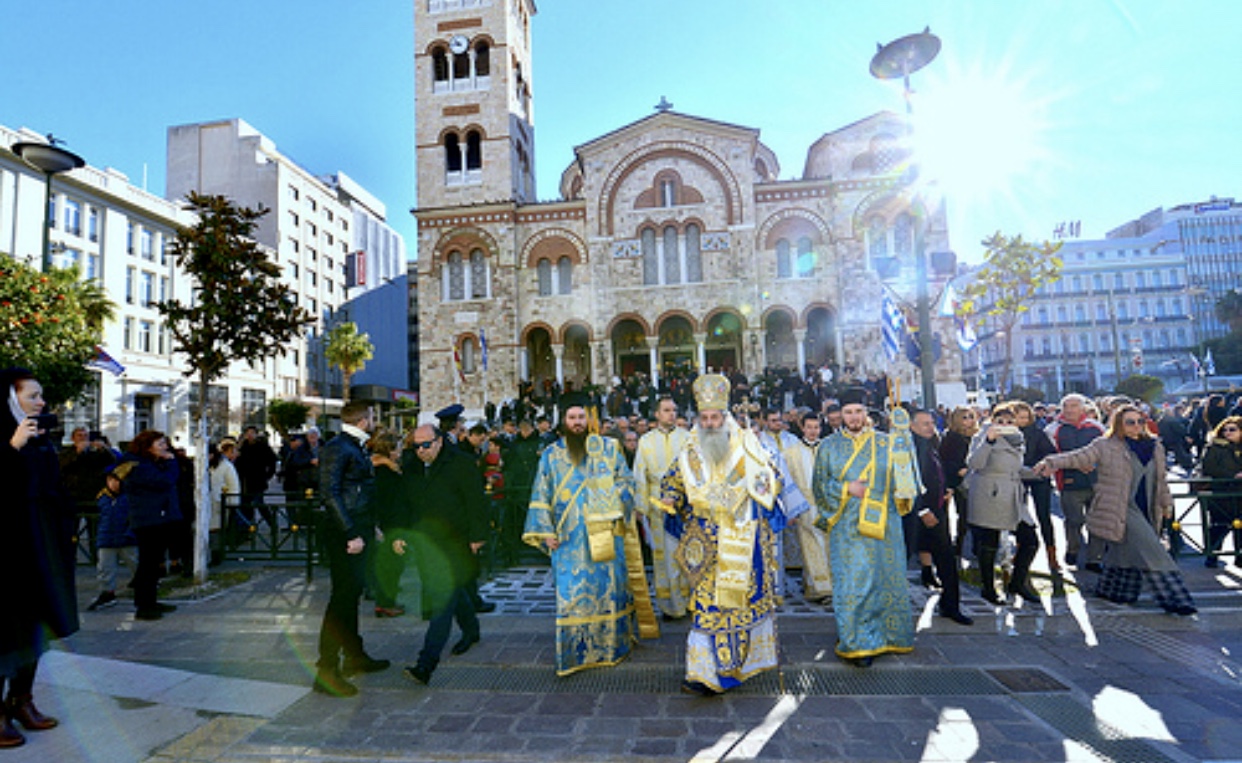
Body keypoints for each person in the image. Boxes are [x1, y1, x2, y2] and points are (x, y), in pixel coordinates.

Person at [658, 375, 809, 694]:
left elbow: (774, 481)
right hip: (705, 545)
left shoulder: (748, 446)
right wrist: (671, 497)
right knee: (707, 608)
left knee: (739, 606)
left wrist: (757, 487)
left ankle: (741, 666)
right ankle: (704, 674)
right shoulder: (690, 451)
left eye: (716, 417)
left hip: (743, 542)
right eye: (705, 418)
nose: (711, 424)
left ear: (725, 418)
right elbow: (672, 480)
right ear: (699, 420)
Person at [1035, 404, 1197, 616]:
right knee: (1154, 551)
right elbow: (1078, 457)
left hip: (1147, 506)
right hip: (1120, 507)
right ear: (1118, 424)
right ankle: (1176, 599)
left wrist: (1166, 504)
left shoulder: (1155, 446)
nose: (1136, 426)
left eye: (1140, 421)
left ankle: (1115, 591)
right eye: (1130, 422)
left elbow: (1161, 480)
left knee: (1124, 552)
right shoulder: (1105, 445)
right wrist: (1051, 462)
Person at [523, 394, 641, 676]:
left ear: (590, 419)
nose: (577, 423)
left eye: (581, 417)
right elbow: (541, 493)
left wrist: (612, 502)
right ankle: (576, 652)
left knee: (609, 591)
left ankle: (612, 647)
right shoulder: (551, 454)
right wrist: (545, 531)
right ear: (563, 421)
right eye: (572, 418)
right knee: (571, 596)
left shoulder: (610, 448)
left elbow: (627, 482)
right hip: (568, 540)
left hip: (606, 535)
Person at [812, 387, 918, 667]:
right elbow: (819, 487)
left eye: (858, 411)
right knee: (854, 585)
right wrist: (847, 488)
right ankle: (858, 642)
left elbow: (905, 485)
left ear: (866, 413)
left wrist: (905, 448)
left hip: (885, 525)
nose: (853, 417)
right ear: (838, 415)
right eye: (847, 412)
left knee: (884, 580)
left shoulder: (887, 442)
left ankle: (887, 636)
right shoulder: (828, 447)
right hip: (847, 527)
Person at [0, 368, 78, 748]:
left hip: (40, 547)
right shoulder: (12, 437)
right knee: (4, 632)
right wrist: (11, 446)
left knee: (35, 628)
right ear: (10, 398)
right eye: (33, 396)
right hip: (6, 553)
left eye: (41, 395)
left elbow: (54, 489)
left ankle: (21, 700)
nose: (41, 402)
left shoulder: (40, 438)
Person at [398, 424, 488, 685]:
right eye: (416, 446)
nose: (421, 451)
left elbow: (476, 500)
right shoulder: (411, 466)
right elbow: (407, 503)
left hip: (456, 541)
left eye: (426, 445)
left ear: (439, 441)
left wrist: (477, 536)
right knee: (454, 591)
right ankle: (471, 630)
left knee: (442, 599)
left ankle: (425, 665)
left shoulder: (461, 463)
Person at [313, 402, 389, 697]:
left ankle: (354, 656)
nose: (374, 419)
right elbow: (329, 493)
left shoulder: (353, 445)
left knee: (351, 596)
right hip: (345, 535)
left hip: (357, 531)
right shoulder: (337, 446)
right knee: (341, 600)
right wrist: (351, 533)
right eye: (372, 415)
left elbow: (358, 492)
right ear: (363, 418)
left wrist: (371, 528)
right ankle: (326, 670)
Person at [966, 403, 1040, 605]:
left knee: (1031, 539)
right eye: (1000, 421)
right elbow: (974, 464)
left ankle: (1017, 583)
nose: (1005, 425)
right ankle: (988, 588)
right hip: (990, 493)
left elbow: (1012, 467)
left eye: (1009, 421)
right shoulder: (982, 437)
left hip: (1012, 493)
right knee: (989, 542)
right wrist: (989, 441)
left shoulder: (1017, 439)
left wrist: (1036, 471)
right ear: (992, 420)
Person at [910, 410, 971, 625]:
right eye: (924, 424)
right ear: (913, 426)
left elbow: (937, 472)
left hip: (938, 511)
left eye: (931, 423)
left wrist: (946, 488)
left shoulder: (932, 443)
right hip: (918, 515)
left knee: (946, 559)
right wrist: (923, 510)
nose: (929, 427)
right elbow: (908, 481)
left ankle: (950, 606)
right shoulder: (910, 447)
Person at [633, 397, 691, 620]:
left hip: (683, 506)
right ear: (657, 414)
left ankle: (688, 602)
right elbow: (639, 476)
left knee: (685, 554)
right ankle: (669, 605)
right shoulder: (646, 441)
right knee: (663, 557)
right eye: (666, 410)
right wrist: (641, 507)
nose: (671, 414)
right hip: (658, 507)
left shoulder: (687, 438)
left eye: (674, 410)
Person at [123, 430, 183, 621]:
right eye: (160, 444)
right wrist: (171, 462)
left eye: (165, 443)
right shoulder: (138, 465)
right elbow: (165, 481)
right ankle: (144, 605)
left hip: (161, 518)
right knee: (148, 564)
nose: (165, 448)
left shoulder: (152, 463)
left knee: (154, 563)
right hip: (148, 520)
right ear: (147, 447)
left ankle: (151, 600)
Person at [1045, 393, 1106, 571]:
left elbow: (1107, 452)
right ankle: (1073, 549)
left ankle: (1095, 558)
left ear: (1083, 408)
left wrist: (1093, 464)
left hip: (1096, 481)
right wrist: (1077, 465)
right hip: (1068, 482)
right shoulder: (1052, 429)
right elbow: (1051, 456)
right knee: (1074, 520)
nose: (1070, 410)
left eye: (1074, 406)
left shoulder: (1096, 427)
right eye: (1066, 406)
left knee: (1097, 521)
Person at [783, 412, 833, 603]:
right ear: (802, 428)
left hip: (828, 506)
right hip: (804, 505)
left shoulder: (828, 449)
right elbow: (788, 483)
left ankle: (832, 585)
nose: (813, 431)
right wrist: (792, 508)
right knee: (811, 546)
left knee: (829, 546)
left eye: (816, 427)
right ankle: (819, 588)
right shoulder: (791, 453)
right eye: (809, 427)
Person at [1014, 401, 1058, 573]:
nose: (1023, 420)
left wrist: (1043, 467)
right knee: (1019, 515)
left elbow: (1050, 453)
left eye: (1026, 417)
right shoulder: (1008, 434)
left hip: (1039, 476)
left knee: (1044, 515)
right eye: (1020, 417)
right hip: (1018, 477)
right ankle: (1020, 550)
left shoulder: (1038, 433)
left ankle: (1051, 554)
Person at [88, 463, 138, 611]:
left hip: (127, 538)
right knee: (105, 568)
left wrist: (130, 532)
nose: (113, 484)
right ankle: (107, 592)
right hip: (107, 538)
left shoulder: (129, 496)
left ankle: (144, 588)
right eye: (110, 480)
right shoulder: (103, 497)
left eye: (116, 480)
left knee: (135, 563)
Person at [370, 432, 408, 618]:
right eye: (398, 448)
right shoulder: (384, 472)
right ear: (390, 450)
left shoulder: (385, 469)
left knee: (391, 564)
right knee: (391, 565)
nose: (400, 451)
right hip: (390, 524)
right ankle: (385, 603)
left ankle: (385, 601)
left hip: (390, 523)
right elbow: (385, 501)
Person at [1199, 416, 1242, 568]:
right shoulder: (1214, 447)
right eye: (1225, 429)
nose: (1227, 432)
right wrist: (1233, 475)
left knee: (1240, 526)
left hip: (1239, 492)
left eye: (1232, 429)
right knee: (1219, 526)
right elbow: (1209, 468)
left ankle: (1239, 556)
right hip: (1221, 491)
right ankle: (1212, 554)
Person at [939, 406, 977, 557]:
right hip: (953, 480)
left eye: (971, 416)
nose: (968, 421)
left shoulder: (978, 435)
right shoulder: (950, 436)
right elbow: (943, 459)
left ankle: (967, 546)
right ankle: (955, 546)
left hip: (973, 478)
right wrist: (958, 469)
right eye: (964, 417)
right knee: (956, 513)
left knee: (968, 514)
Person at [59, 425, 117, 511]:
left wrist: (104, 449)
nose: (83, 438)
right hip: (74, 489)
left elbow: (112, 461)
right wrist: (77, 453)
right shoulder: (66, 453)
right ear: (73, 438)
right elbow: (63, 466)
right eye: (79, 436)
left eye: (85, 436)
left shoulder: (94, 452)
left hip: (94, 487)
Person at [208, 440, 240, 567]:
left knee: (216, 529)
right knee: (210, 529)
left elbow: (233, 485)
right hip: (207, 502)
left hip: (219, 502)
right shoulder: (204, 465)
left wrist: (233, 503)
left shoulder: (225, 466)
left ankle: (217, 555)